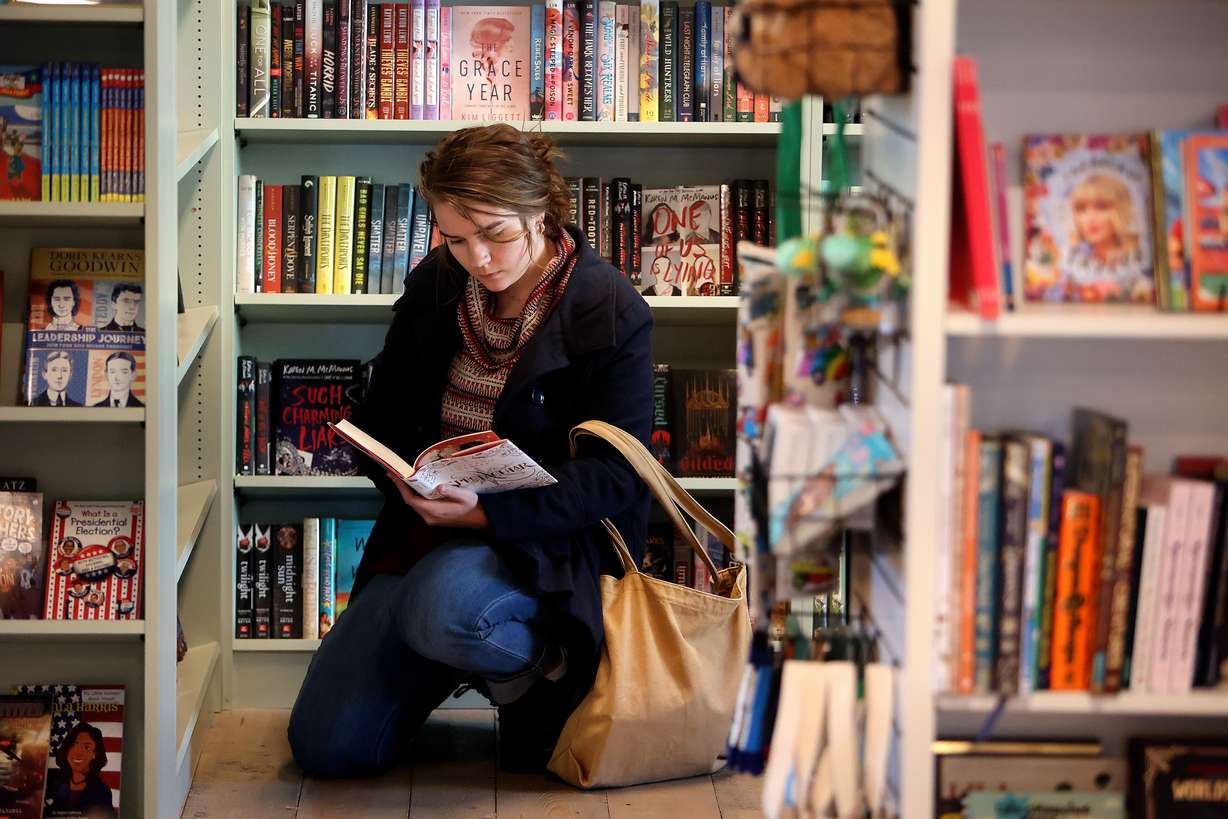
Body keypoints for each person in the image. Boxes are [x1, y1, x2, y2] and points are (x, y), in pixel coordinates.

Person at [288, 124, 653, 779]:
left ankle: (536, 674)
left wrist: (489, 516)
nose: (478, 258)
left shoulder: (607, 308)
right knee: (326, 744)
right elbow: (383, 413)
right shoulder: (437, 283)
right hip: (430, 532)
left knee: (441, 604)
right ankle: (462, 650)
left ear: (539, 208)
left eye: (496, 233)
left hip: (547, 548)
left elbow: (616, 476)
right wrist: (404, 475)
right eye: (456, 237)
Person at [43, 722, 115, 817]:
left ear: (95, 754)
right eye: (73, 745)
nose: (78, 753)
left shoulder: (101, 792)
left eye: (86, 747)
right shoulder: (50, 780)